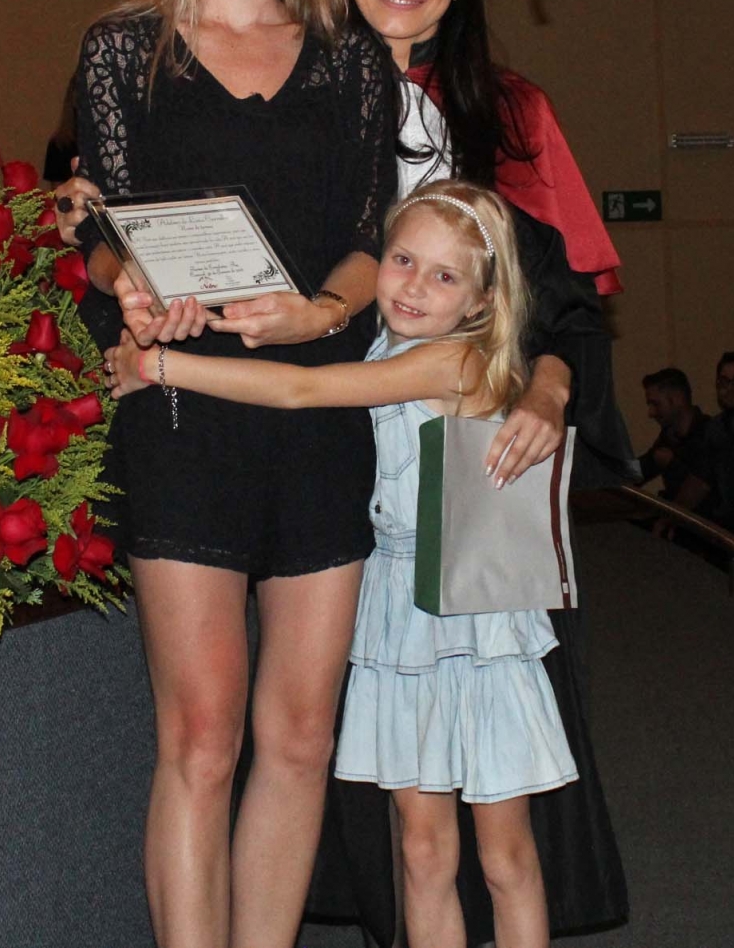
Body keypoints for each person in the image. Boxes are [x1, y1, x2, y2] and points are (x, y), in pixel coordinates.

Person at [67, 0, 396, 948]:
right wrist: (125, 279)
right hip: (179, 412)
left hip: (315, 414)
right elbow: (97, 222)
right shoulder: (125, 49)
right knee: (201, 738)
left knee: (299, 738)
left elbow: (370, 236)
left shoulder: (352, 62)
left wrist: (321, 310)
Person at [105, 179, 579, 948]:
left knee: (504, 856)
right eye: (402, 260)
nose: (413, 287)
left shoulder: (455, 361)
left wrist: (162, 367)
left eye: (444, 276)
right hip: (398, 611)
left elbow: (301, 388)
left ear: (483, 301)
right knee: (421, 849)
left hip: (470, 620)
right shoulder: (383, 342)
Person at [321, 0, 635, 944]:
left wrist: (548, 385)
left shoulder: (510, 116)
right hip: (331, 459)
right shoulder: (283, 96)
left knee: (498, 772)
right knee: (377, 758)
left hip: (469, 474)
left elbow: (567, 301)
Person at [671, 352, 734, 544]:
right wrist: (672, 515)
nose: (730, 388)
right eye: (724, 381)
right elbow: (700, 479)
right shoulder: (715, 428)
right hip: (729, 529)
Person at [638, 368, 710, 500]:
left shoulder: (711, 434)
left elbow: (704, 490)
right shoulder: (669, 436)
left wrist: (671, 464)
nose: (651, 413)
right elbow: (641, 469)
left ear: (677, 399)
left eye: (655, 404)